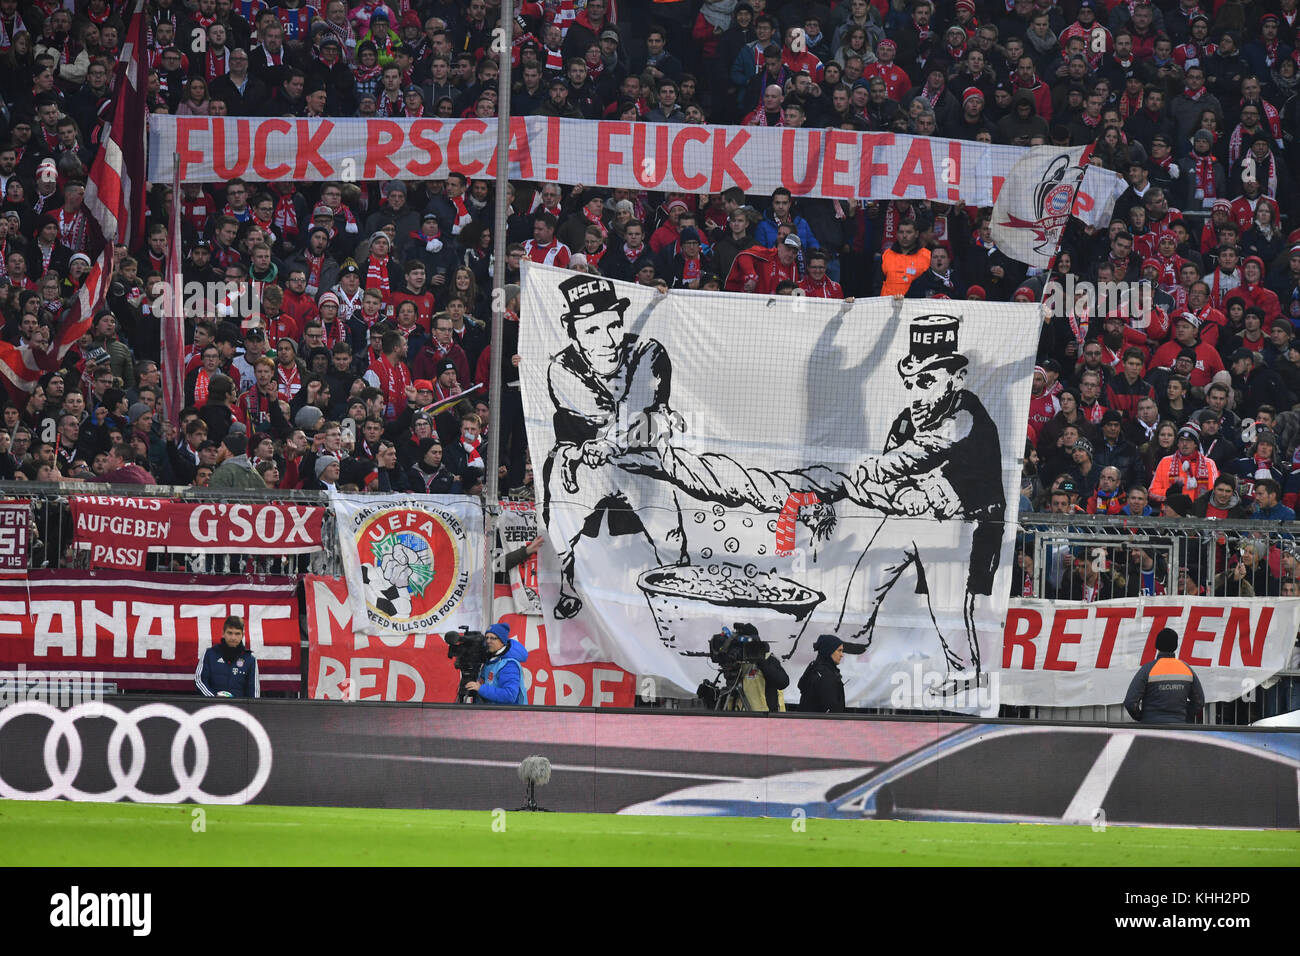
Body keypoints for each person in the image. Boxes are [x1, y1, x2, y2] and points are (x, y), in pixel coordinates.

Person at [1123, 627, 1204, 724]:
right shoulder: (1187, 669)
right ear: (1175, 646)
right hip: (1179, 728)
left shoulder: (1147, 670)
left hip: (1152, 729)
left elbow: (1130, 702)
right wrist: (1184, 717)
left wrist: (1141, 717)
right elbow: (1199, 702)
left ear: (1157, 645)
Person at [464, 621, 529, 704]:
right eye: (486, 638)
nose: (488, 641)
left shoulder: (509, 665)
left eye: (493, 638)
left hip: (505, 715)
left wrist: (481, 689)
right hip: (490, 713)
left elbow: (510, 695)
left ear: (502, 641)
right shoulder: (491, 661)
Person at [195, 615, 259, 698]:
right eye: (230, 633)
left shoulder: (250, 659)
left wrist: (243, 708)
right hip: (212, 707)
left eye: (237, 634)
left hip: (238, 709)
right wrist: (214, 699)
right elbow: (199, 681)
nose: (233, 637)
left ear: (242, 635)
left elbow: (254, 692)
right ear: (223, 633)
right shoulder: (209, 654)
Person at [797, 634, 864, 712]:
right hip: (821, 723)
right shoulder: (825, 675)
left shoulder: (815, 668)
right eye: (839, 650)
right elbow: (831, 709)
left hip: (811, 722)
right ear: (828, 651)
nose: (842, 655)